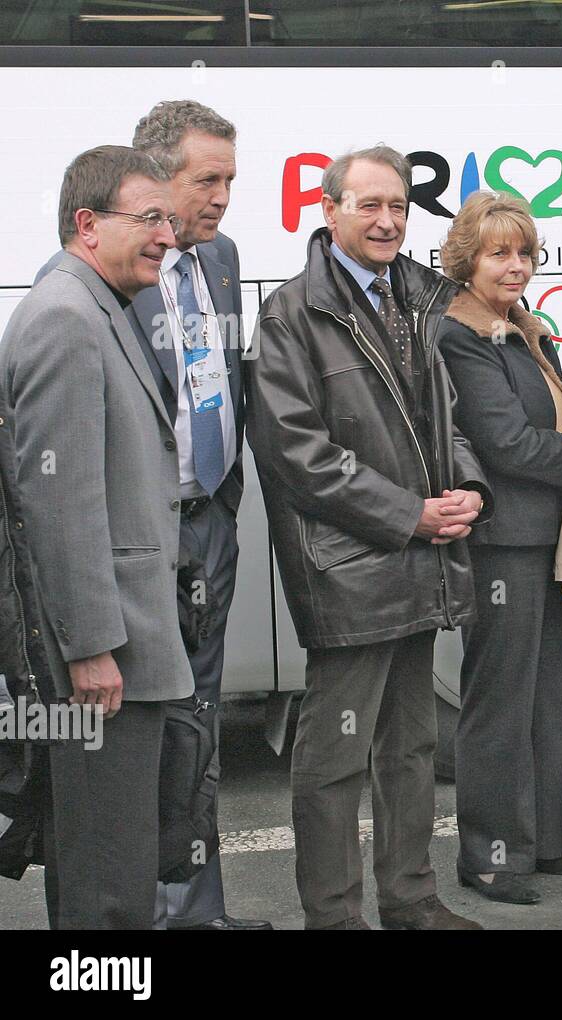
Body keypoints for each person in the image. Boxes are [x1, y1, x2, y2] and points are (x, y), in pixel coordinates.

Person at [245, 146, 490, 930]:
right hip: (352, 565)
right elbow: (295, 452)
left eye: (399, 206)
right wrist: (406, 514)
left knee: (411, 749)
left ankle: (413, 902)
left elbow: (447, 416)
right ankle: (335, 917)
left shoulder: (419, 295)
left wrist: (469, 489)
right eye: (368, 205)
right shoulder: (292, 312)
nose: (387, 220)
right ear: (330, 210)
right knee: (335, 760)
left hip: (420, 557)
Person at [0, 145, 193, 928]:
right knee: (106, 878)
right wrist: (89, 649)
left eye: (169, 221)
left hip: (122, 647)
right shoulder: (64, 319)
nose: (169, 238)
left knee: (112, 861)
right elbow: (58, 504)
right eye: (150, 218)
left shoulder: (93, 306)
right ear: (88, 223)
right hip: (104, 657)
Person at [437, 191, 562, 905]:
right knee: (499, 703)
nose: (516, 266)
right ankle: (487, 858)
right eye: (499, 253)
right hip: (505, 544)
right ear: (467, 258)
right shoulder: (461, 334)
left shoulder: (522, 325)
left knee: (552, 698)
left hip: (548, 535)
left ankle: (544, 842)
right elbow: (506, 445)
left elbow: (547, 417)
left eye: (524, 252)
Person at [123, 99, 267, 931]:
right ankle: (143, 916)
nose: (221, 198)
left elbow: (226, 383)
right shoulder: (118, 270)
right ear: (155, 177)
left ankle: (199, 912)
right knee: (155, 734)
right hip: (151, 534)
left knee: (204, 727)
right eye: (205, 180)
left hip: (212, 522)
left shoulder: (222, 259)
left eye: (230, 181)